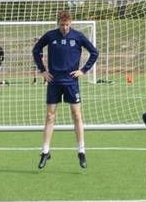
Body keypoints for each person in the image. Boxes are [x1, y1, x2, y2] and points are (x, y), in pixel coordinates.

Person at [33, 11, 100, 169]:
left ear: (71, 23)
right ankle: (45, 151)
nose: (64, 27)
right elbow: (36, 51)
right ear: (58, 23)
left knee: (76, 115)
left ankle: (81, 151)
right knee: (50, 116)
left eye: (67, 24)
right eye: (62, 24)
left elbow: (94, 52)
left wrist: (83, 70)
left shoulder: (78, 36)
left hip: (71, 82)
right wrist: (42, 70)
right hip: (54, 81)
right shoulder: (50, 36)